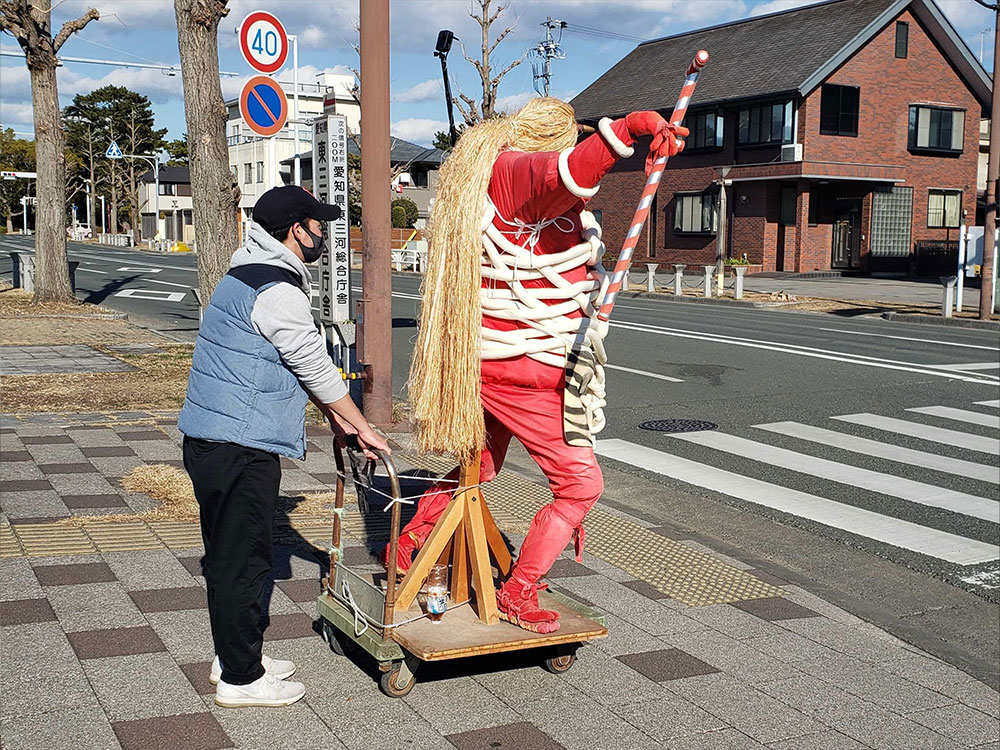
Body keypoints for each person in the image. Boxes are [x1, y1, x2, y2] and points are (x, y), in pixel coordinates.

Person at [396, 98, 687, 633]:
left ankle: (409, 541)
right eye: (568, 141)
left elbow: (567, 206)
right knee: (580, 486)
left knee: (478, 467)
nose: (572, 150)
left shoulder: (508, 183)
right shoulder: (513, 173)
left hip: (506, 364)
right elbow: (566, 173)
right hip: (521, 369)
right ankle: (518, 592)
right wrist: (628, 126)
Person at [178, 185, 389, 708]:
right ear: (296, 230)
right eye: (319, 226)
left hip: (215, 438)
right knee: (244, 562)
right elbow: (315, 368)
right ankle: (241, 680)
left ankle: (235, 654)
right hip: (237, 446)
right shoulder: (278, 290)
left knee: (235, 555)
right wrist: (361, 425)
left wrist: (336, 422)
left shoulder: (242, 273)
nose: (325, 234)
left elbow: (289, 366)